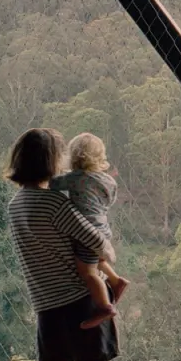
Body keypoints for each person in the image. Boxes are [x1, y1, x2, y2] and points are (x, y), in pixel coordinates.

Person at [4, 127, 120, 361]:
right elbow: (96, 240)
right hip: (84, 306)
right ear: (51, 162)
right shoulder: (55, 204)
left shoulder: (16, 207)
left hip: (48, 311)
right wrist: (108, 262)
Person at [54, 132, 129, 318]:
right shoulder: (107, 180)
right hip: (103, 228)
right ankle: (116, 280)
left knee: (87, 271)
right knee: (97, 258)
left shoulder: (75, 178)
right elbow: (110, 200)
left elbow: (52, 184)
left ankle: (104, 307)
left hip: (87, 231)